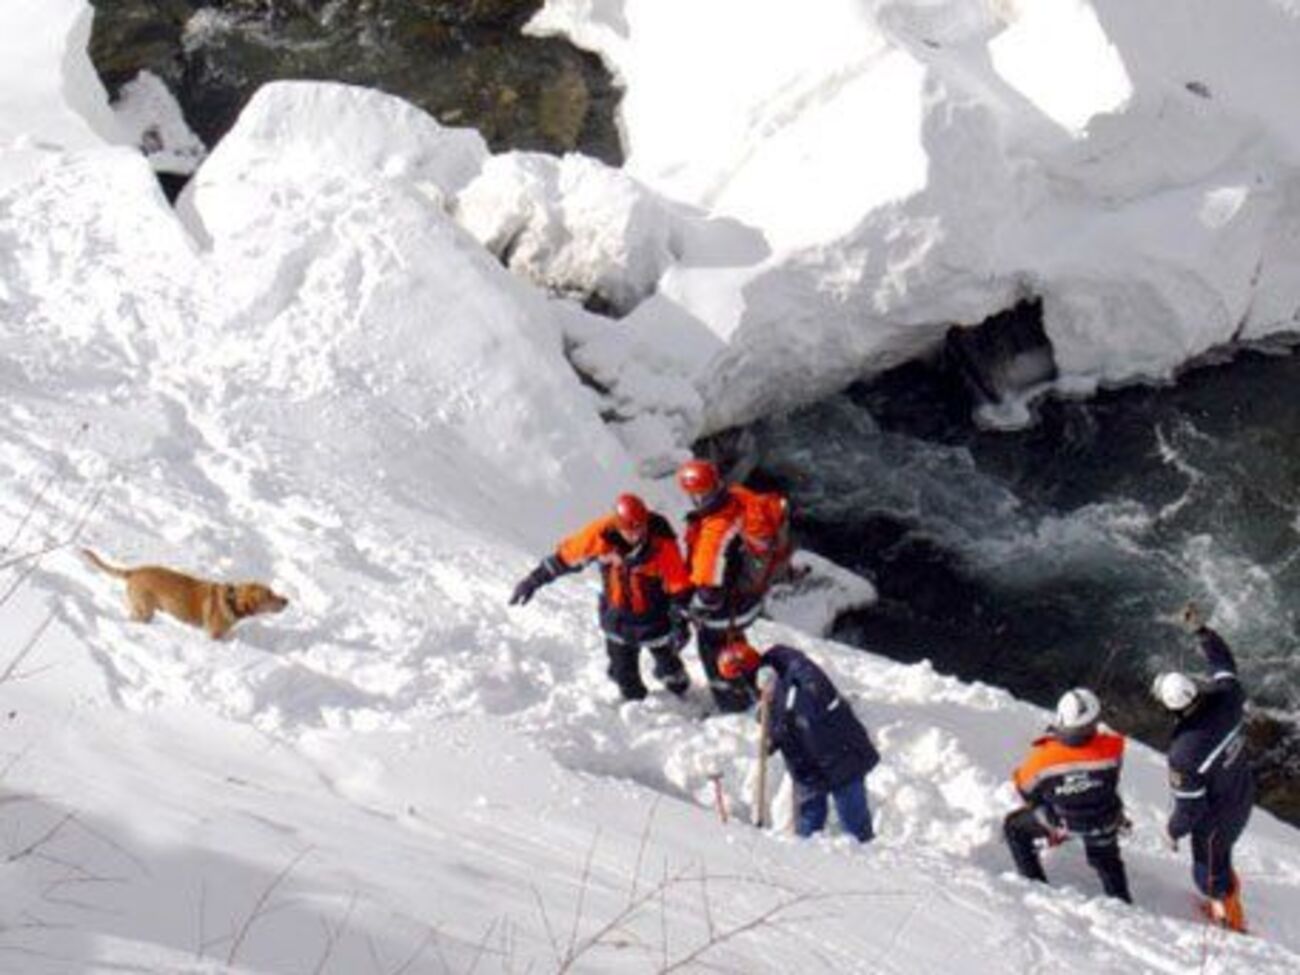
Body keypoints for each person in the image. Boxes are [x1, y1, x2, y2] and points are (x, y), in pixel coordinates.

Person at [509, 494, 692, 701]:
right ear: (617, 525)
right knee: (628, 683)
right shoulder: (600, 535)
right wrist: (533, 580)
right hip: (618, 620)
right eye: (628, 530)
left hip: (655, 619)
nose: (634, 536)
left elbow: (679, 583)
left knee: (676, 678)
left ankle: (676, 684)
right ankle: (637, 707)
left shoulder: (661, 542)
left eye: (639, 529)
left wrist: (681, 621)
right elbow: (566, 558)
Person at [1151, 603, 1254, 933]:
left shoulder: (1185, 753)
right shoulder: (1229, 696)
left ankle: (1230, 914)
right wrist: (1201, 631)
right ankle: (1225, 880)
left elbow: (1191, 808)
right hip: (1242, 790)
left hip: (1217, 819)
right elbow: (1224, 663)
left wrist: (1171, 832)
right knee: (1221, 853)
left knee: (1207, 874)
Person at [718, 640, 878, 841]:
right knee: (808, 828)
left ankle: (864, 867)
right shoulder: (762, 698)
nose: (738, 687)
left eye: (738, 679)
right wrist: (772, 739)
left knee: (855, 824)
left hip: (838, 750)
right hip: (806, 766)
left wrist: (794, 689)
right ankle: (805, 867)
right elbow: (783, 724)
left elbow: (809, 678)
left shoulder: (784, 661)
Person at [677, 459, 791, 712]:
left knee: (714, 652)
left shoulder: (715, 530)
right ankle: (754, 686)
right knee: (735, 646)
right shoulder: (738, 497)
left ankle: (734, 705)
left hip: (727, 610)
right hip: (747, 599)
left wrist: (693, 609)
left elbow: (709, 590)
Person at [1005, 688, 1132, 903]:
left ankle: (1035, 886)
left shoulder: (1042, 758)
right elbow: (1110, 756)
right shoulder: (1113, 747)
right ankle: (1123, 902)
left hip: (1063, 822)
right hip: (1105, 820)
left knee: (1014, 827)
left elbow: (1024, 788)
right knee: (1108, 862)